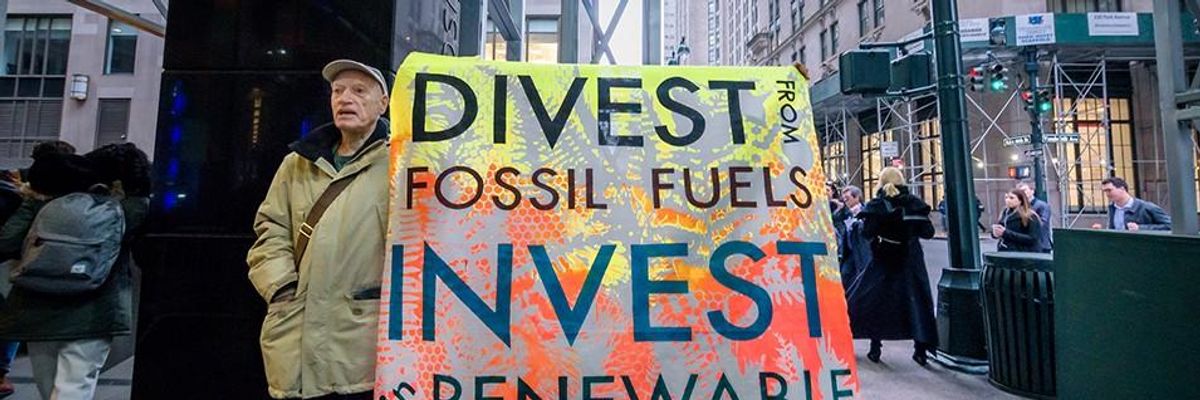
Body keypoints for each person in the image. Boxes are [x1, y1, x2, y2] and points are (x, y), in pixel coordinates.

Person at [246, 59, 390, 400]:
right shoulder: (298, 163)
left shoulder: (403, 162)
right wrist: (281, 288)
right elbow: (271, 228)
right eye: (337, 91)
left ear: (383, 103)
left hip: (360, 345)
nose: (345, 99)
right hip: (296, 334)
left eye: (358, 90)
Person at [0, 144, 150, 400]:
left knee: (48, 388)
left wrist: (32, 200)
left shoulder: (45, 205)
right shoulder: (126, 210)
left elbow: (6, 243)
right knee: (74, 387)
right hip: (95, 312)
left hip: (37, 309)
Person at [846, 167, 938, 366]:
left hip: (883, 258)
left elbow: (867, 232)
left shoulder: (877, 205)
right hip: (910, 260)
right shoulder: (914, 204)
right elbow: (928, 232)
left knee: (875, 302)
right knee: (916, 304)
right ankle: (920, 350)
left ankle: (875, 348)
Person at [1089, 177, 1171, 231]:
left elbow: (1170, 225)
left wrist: (1141, 228)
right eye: (1105, 191)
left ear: (1122, 189)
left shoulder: (1147, 207)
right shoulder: (1112, 208)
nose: (1107, 194)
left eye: (1109, 190)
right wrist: (1102, 231)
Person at [837, 186, 870, 291]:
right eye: (844, 199)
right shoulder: (845, 213)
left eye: (848, 198)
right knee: (845, 275)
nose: (846, 201)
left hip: (862, 250)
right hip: (849, 251)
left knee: (862, 276)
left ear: (856, 197)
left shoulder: (866, 211)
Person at [1016, 182, 1053, 252]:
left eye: (1024, 191)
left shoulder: (1042, 206)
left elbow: (1042, 224)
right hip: (1024, 245)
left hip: (1041, 245)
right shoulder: (1018, 207)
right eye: (1019, 192)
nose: (1022, 194)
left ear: (1032, 191)